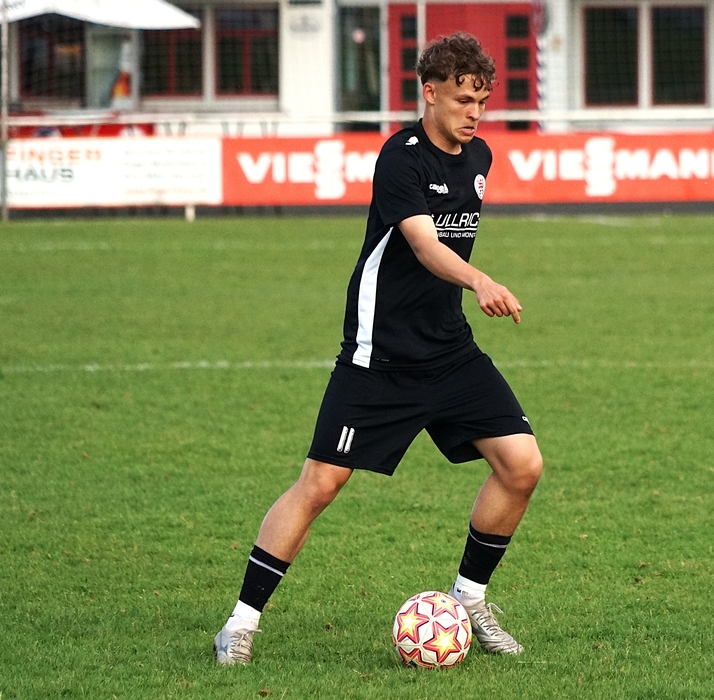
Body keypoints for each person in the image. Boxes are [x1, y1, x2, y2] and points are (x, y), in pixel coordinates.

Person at [213, 32, 543, 666]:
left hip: (449, 351)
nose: (475, 113)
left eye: (482, 101)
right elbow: (424, 244)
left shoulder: (480, 157)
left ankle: (470, 600)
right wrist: (480, 281)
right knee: (320, 484)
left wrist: (467, 291)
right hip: (379, 356)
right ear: (430, 92)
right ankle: (240, 623)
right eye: (463, 100)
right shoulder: (401, 158)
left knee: (521, 464)